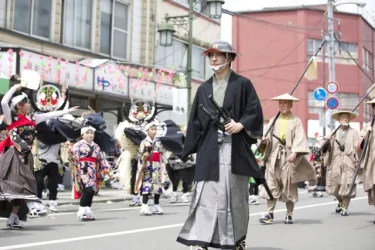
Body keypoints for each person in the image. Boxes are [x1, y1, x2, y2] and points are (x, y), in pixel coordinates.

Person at [177, 41, 264, 250]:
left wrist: (240, 124)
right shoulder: (203, 88)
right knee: (204, 193)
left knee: (232, 195)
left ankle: (236, 239)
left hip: (234, 147)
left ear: (229, 58)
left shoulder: (243, 84)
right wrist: (187, 150)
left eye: (219, 55)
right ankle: (201, 240)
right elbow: (195, 121)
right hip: (208, 147)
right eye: (211, 55)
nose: (214, 59)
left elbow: (254, 110)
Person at [0, 83, 78, 229]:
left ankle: (13, 218)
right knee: (25, 182)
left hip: (27, 156)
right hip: (14, 154)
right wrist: (14, 88)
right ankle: (33, 205)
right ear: (18, 106)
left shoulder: (33, 118)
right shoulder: (12, 118)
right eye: (26, 103)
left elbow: (50, 114)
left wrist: (66, 111)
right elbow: (4, 101)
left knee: (22, 186)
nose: (29, 105)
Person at [258, 93, 315, 225]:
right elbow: (265, 138)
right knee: (271, 184)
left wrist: (295, 152)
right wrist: (265, 141)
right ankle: (269, 213)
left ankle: (289, 214)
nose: (282, 105)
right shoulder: (273, 120)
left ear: (291, 105)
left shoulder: (296, 121)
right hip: (273, 157)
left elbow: (300, 139)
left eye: (285, 103)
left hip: (289, 157)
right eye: (280, 103)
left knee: (289, 185)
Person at [323, 110, 359, 216]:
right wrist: (328, 140)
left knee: (347, 185)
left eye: (347, 117)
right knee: (334, 188)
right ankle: (340, 201)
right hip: (336, 162)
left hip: (349, 162)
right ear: (339, 120)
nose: (345, 119)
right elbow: (326, 148)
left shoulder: (354, 132)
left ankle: (345, 207)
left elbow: (357, 148)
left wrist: (357, 160)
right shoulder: (334, 132)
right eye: (343, 117)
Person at [71, 126, 111, 221]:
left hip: (93, 169)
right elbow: (74, 158)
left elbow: (101, 158)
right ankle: (82, 210)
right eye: (87, 133)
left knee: (92, 191)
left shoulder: (96, 146)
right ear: (82, 134)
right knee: (87, 189)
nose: (90, 135)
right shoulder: (78, 145)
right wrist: (75, 171)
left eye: (91, 133)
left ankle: (88, 210)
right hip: (82, 169)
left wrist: (107, 169)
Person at [136, 122, 170, 215]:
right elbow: (139, 155)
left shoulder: (158, 142)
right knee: (146, 186)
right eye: (152, 129)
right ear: (147, 131)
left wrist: (165, 164)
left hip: (157, 167)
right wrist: (144, 156)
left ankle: (156, 205)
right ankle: (144, 205)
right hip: (147, 166)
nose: (154, 131)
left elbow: (161, 153)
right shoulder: (144, 142)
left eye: (155, 129)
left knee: (157, 186)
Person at [356, 98, 375, 223]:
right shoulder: (368, 126)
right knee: (374, 188)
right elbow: (358, 146)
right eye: (374, 107)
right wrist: (365, 137)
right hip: (372, 162)